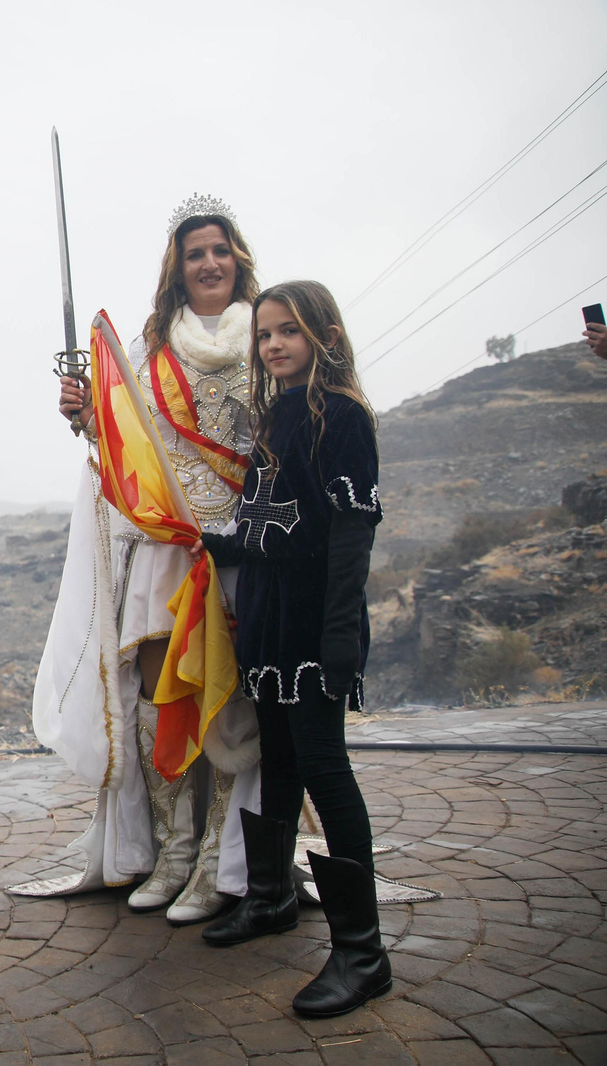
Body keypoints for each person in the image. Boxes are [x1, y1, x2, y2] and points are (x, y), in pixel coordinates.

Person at [16, 194, 263, 925]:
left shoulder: (271, 339)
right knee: (162, 698)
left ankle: (222, 861)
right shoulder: (153, 356)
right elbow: (134, 450)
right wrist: (88, 415)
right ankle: (174, 853)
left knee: (229, 701)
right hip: (166, 550)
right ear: (178, 271)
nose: (210, 263)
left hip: (242, 552)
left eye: (220, 250)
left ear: (237, 259)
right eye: (196, 254)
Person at [192, 279, 391, 1018]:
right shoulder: (275, 416)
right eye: (266, 334)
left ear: (326, 337)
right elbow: (263, 525)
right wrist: (209, 541)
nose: (274, 345)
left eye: (290, 332)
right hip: (271, 619)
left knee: (324, 768)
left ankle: (362, 954)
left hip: (315, 623)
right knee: (277, 756)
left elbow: (349, 528)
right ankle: (272, 899)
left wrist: (341, 633)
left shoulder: (340, 417)